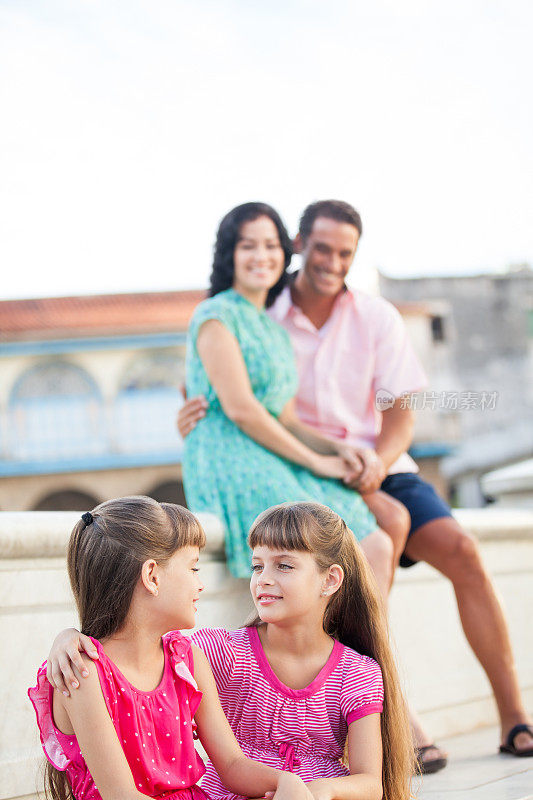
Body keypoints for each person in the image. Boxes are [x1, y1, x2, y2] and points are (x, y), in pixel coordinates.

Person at [178, 199, 533, 765]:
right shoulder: (261, 309)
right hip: (301, 466)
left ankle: (514, 714)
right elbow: (224, 389)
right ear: (301, 244)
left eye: (345, 253)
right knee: (378, 532)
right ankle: (382, 709)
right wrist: (189, 411)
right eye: (321, 248)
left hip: (372, 462)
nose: (332, 262)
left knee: (461, 550)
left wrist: (371, 460)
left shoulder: (375, 316)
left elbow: (400, 410)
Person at [46, 501, 416, 800]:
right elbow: (121, 792)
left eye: (284, 565)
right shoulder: (213, 654)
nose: (263, 578)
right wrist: (68, 636)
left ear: (330, 579)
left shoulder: (356, 673)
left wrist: (301, 787)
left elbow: (369, 782)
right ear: (152, 576)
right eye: (257, 566)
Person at [181, 201, 408, 596]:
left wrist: (341, 449)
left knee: (376, 543)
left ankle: (364, 659)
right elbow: (241, 410)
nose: (261, 256)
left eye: (270, 246)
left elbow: (286, 419)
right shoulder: (215, 316)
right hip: (230, 452)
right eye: (248, 246)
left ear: (284, 252)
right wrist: (318, 462)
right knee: (324, 544)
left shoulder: (272, 329)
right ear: (229, 253)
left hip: (272, 449)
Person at [28, 496, 312, 800]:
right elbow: (122, 795)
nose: (200, 584)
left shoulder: (186, 660)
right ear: (152, 576)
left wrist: (286, 782)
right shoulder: (83, 673)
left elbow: (232, 765)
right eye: (193, 568)